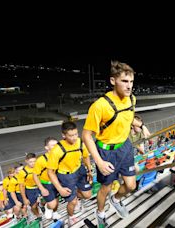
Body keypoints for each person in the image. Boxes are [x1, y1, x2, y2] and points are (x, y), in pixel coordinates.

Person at [82, 60, 141, 227]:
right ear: (113, 81)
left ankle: (116, 201)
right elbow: (86, 135)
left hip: (125, 147)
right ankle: (100, 213)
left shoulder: (132, 100)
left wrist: (139, 126)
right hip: (107, 152)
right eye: (124, 81)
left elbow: (127, 120)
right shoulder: (100, 106)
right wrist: (99, 162)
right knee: (105, 188)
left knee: (130, 185)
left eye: (131, 82)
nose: (129, 86)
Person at [47, 121, 93, 226]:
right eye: (71, 135)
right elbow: (50, 172)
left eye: (76, 134)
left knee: (88, 195)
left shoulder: (80, 142)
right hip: (66, 176)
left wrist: (89, 170)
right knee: (72, 202)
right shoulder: (56, 150)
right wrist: (60, 189)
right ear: (64, 135)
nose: (74, 138)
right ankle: (71, 216)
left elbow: (85, 156)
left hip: (79, 170)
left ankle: (75, 195)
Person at [33, 137, 61, 220]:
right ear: (46, 147)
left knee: (56, 200)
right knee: (52, 204)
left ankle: (55, 212)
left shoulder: (59, 156)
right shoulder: (41, 160)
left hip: (57, 182)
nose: (56, 147)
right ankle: (47, 208)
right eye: (53, 145)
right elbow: (35, 175)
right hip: (46, 184)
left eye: (57, 145)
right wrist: (42, 189)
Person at [17, 153, 41, 220]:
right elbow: (21, 186)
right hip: (30, 190)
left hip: (41, 186)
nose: (33, 163)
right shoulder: (22, 172)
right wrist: (24, 198)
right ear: (26, 161)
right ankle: (38, 216)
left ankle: (42, 205)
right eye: (30, 162)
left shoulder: (40, 166)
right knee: (33, 207)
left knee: (45, 201)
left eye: (34, 161)